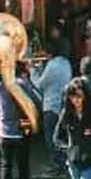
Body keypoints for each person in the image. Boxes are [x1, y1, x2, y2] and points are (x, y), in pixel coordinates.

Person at [0, 61, 39, 179]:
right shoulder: (22, 84)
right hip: (21, 128)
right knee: (23, 163)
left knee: (6, 164)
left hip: (4, 129)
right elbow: (36, 100)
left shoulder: (0, 85)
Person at [37, 37, 73, 171]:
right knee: (61, 136)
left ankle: (56, 164)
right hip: (62, 104)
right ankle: (63, 162)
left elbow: (40, 84)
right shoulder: (66, 64)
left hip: (50, 104)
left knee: (50, 137)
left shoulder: (52, 65)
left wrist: (33, 71)